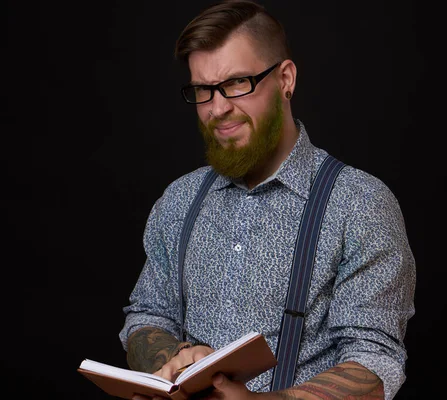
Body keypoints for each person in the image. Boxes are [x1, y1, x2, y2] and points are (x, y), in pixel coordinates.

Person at [118, 1, 416, 399]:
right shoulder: (179, 200)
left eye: (238, 82)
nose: (218, 108)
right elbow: (148, 314)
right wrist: (176, 358)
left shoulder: (360, 204)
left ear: (286, 79)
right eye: (203, 90)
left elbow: (374, 361)